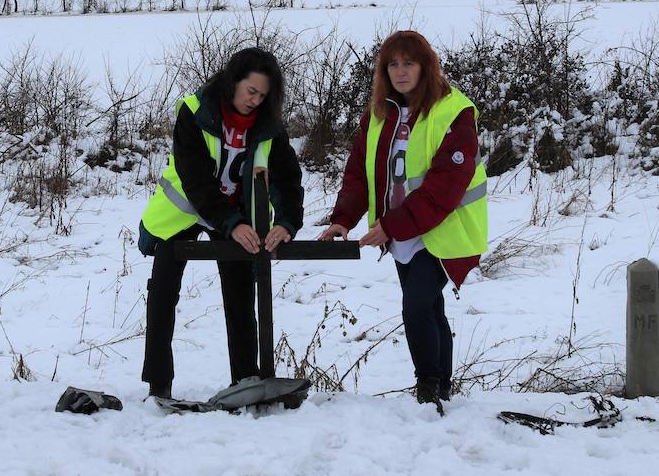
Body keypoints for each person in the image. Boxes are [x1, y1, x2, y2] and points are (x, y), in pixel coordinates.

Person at [319, 30, 487, 409]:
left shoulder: (454, 113)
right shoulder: (380, 115)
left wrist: (391, 226)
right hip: (402, 234)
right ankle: (443, 387)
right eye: (392, 64)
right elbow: (360, 173)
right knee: (429, 308)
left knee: (416, 306)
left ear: (426, 66)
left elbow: (445, 188)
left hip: (445, 231)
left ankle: (427, 387)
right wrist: (344, 218)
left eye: (409, 62)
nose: (400, 71)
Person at [138, 47, 304, 399]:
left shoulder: (269, 125)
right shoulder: (195, 112)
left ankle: (245, 380)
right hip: (183, 211)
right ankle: (159, 384)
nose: (256, 101)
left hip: (236, 215)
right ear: (233, 82)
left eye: (263, 95)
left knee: (241, 293)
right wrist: (230, 222)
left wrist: (288, 222)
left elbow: (288, 178)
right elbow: (196, 179)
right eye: (250, 91)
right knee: (164, 291)